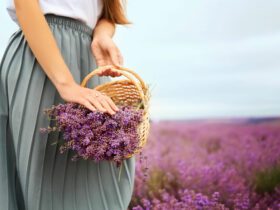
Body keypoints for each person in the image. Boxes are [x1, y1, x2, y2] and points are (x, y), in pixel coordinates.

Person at [0, 0, 135, 210]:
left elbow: (108, 14)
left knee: (105, 180)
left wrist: (102, 34)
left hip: (88, 62)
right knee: (42, 182)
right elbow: (24, 4)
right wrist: (65, 84)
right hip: (41, 59)